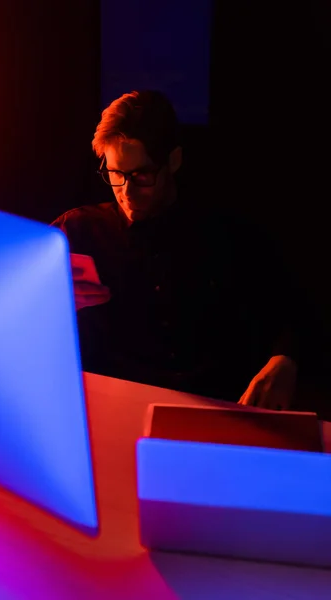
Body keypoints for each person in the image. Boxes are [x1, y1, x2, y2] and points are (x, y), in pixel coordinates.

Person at [52, 90, 299, 409]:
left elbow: (288, 309)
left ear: (174, 160)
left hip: (214, 410)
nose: (126, 192)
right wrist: (50, 310)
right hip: (110, 411)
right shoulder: (76, 233)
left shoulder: (226, 233)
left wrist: (285, 359)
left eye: (141, 176)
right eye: (115, 174)